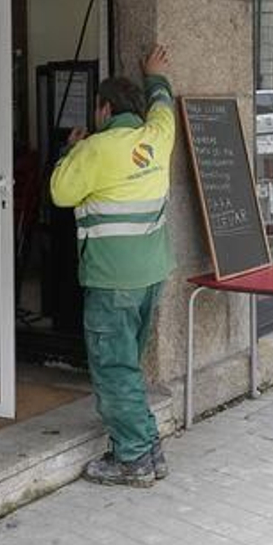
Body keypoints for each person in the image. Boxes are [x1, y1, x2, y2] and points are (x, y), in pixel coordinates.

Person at [49, 44, 176, 488]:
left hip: (111, 280)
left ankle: (134, 458)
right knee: (127, 363)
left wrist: (70, 152)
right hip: (151, 276)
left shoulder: (96, 149)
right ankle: (147, 445)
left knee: (114, 368)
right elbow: (163, 105)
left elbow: (61, 194)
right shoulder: (158, 137)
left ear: (103, 109)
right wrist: (156, 75)